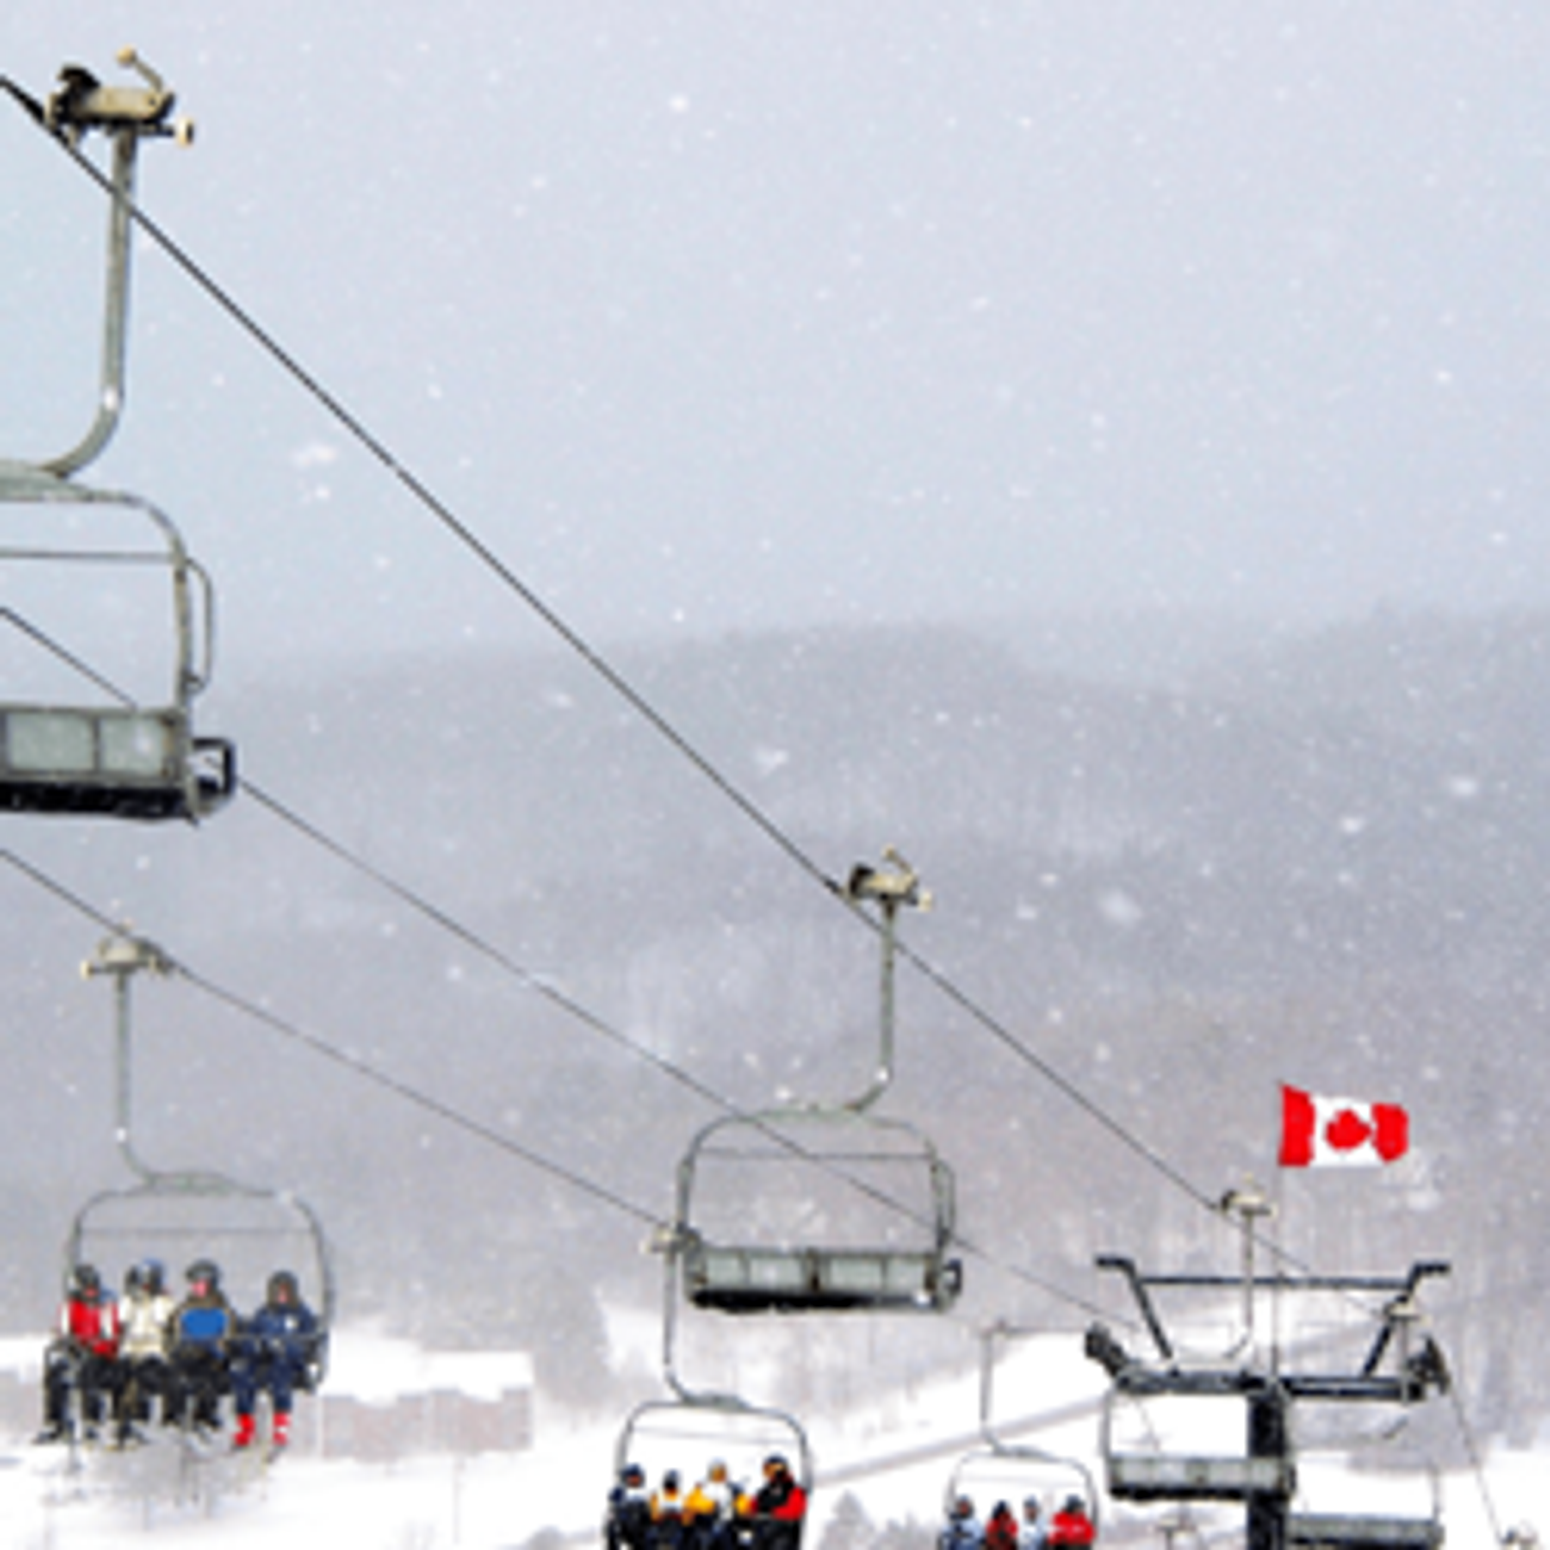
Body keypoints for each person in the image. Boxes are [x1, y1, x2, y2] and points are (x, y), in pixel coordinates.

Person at [231, 1268, 322, 1452]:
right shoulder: (264, 1314)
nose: (281, 1295)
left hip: (287, 1362)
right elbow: (250, 1337)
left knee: (280, 1380)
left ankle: (280, 1431)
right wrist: (256, 1347)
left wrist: (286, 1348)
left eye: (285, 1291)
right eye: (277, 1291)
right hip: (262, 1361)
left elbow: (308, 1340)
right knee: (242, 1377)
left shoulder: (301, 1314)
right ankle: (245, 1428)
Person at [37, 1263, 121, 1442]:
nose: (90, 1293)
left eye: (93, 1289)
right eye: (87, 1289)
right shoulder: (70, 1306)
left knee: (89, 1374)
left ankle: (92, 1422)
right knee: (57, 1374)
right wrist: (69, 1344)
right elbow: (64, 1332)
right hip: (76, 1352)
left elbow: (111, 1336)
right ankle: (56, 1422)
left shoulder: (105, 1306)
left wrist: (95, 1346)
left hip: (100, 1356)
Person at [166, 1258, 237, 1432]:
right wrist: (174, 1348)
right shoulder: (184, 1309)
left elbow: (230, 1337)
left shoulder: (223, 1310)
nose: (195, 1288)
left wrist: (221, 1348)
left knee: (207, 1378)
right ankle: (174, 1414)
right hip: (188, 1354)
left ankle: (205, 1414)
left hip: (211, 1357)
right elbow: (172, 1333)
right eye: (194, 1284)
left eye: (200, 1284)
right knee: (175, 1376)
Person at [114, 1259, 174, 1444]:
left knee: (143, 1377)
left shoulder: (163, 1302)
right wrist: (130, 1297)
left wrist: (158, 1300)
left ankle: (139, 1419)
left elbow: (165, 1321)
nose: (145, 1288)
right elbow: (121, 1319)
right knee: (120, 1375)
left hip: (154, 1352)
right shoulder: (130, 1303)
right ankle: (120, 1419)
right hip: (131, 1350)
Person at [750, 1454, 807, 1550]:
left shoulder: (793, 1490)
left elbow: (795, 1511)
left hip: (784, 1534)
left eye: (772, 1470)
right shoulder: (764, 1491)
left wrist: (772, 1513)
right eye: (767, 1471)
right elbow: (753, 1506)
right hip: (762, 1534)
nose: (770, 1475)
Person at [685, 1459, 738, 1550]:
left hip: (725, 1525)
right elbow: (691, 1504)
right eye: (716, 1473)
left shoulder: (731, 1488)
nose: (719, 1476)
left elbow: (740, 1505)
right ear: (710, 1473)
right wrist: (709, 1508)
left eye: (722, 1473)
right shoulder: (701, 1487)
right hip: (704, 1525)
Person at [606, 1462, 653, 1550]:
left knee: (652, 1533)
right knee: (612, 1526)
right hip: (624, 1525)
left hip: (641, 1526)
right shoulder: (620, 1490)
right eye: (631, 1479)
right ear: (625, 1479)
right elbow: (612, 1500)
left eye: (636, 1479)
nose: (634, 1481)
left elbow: (651, 1507)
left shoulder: (646, 1492)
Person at [651, 1468, 690, 1550]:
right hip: (661, 1529)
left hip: (677, 1530)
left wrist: (679, 1516)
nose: (671, 1486)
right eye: (669, 1483)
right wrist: (662, 1515)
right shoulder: (658, 1497)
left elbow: (687, 1518)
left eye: (673, 1483)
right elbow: (653, 1515)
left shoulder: (683, 1498)